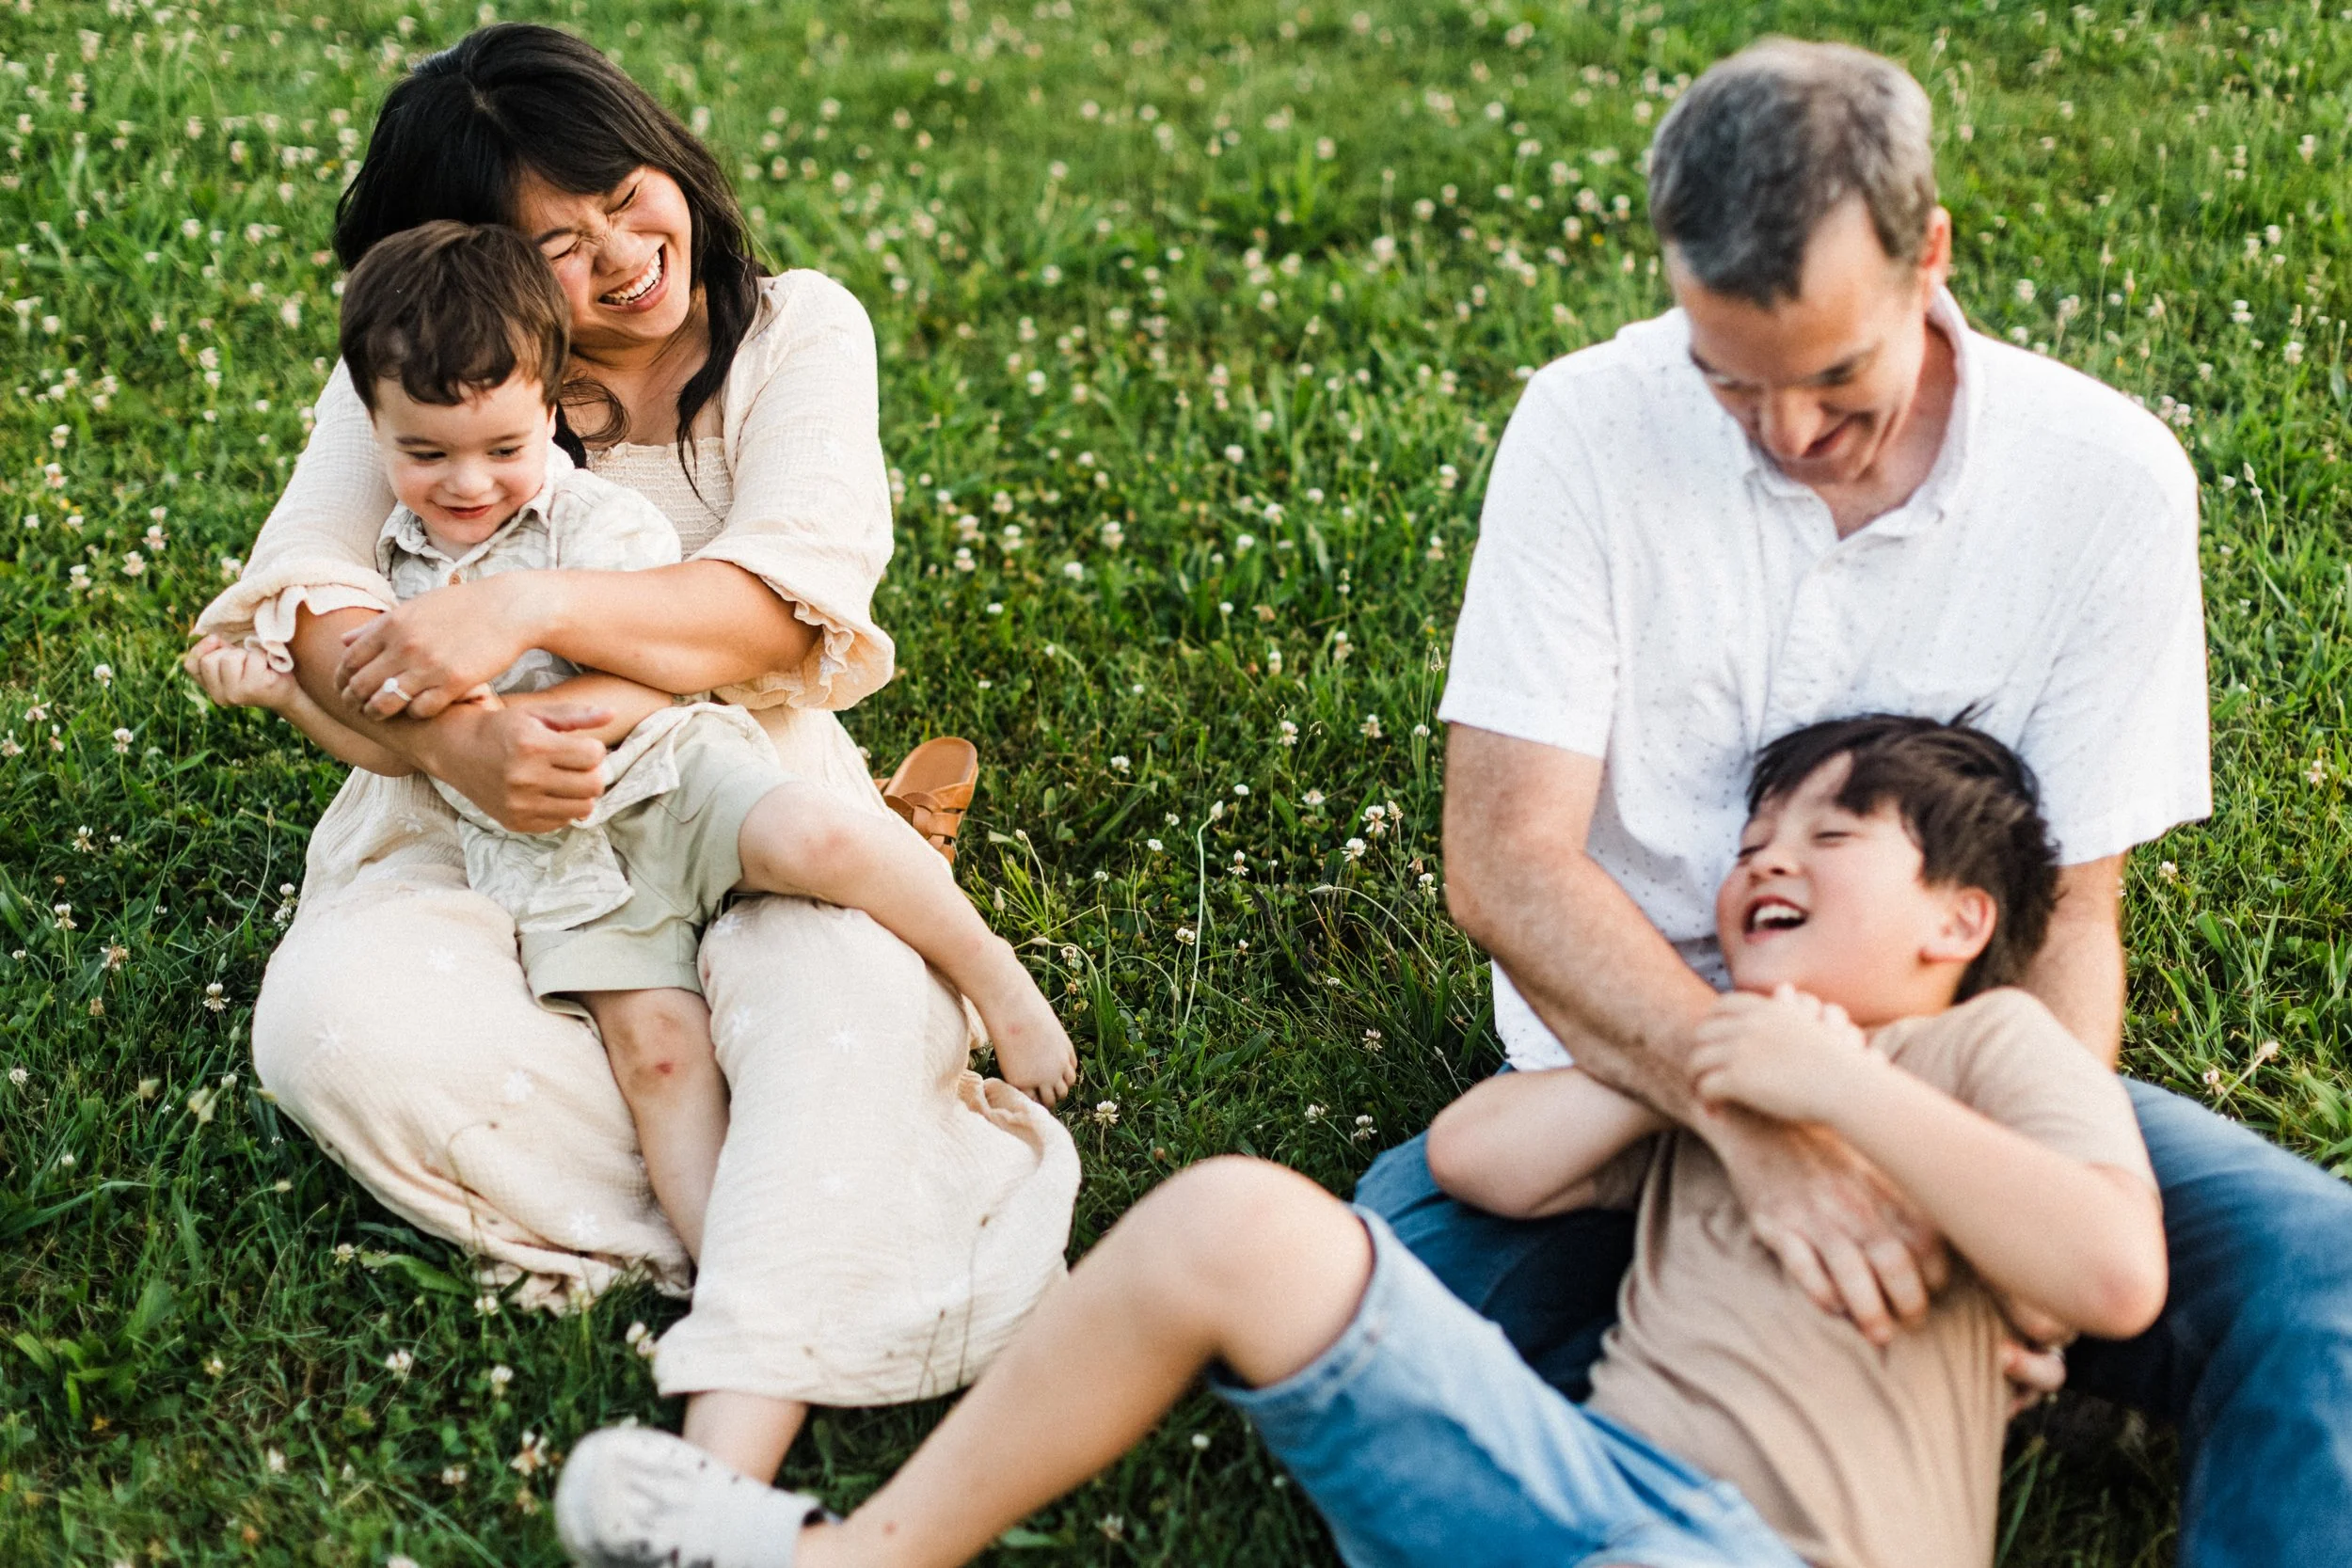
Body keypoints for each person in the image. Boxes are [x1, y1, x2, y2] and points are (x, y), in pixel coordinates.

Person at [1359, 38, 2352, 1567]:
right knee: (1387, 1295)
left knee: (2318, 1272)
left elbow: (2076, 908)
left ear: (1929, 256)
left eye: (1835, 379)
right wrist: (1748, 1114)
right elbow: (1505, 858)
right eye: (1729, 381)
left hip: (1943, 1085)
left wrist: (2009, 1205)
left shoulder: (2106, 482)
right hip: (1610, 1089)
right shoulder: (1585, 426)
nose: (1786, 433)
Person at [547, 715, 2166, 1568]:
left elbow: (2112, 1268)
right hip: (1561, 1487)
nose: (1767, 858)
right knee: (1238, 1217)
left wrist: (1851, 1093)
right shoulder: (1706, 1071)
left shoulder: (1985, 1047)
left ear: (1962, 915)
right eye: (1750, 838)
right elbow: (1482, 1164)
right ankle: (861, 1554)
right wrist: (1692, 1064)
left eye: (1830, 831)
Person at [187, 24, 1079, 1485]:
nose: (618, 249)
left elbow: (771, 600)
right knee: (336, 1031)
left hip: (736, 775)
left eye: (625, 191)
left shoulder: (799, 330)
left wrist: (522, 606)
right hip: (473, 823)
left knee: (835, 996)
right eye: (557, 239)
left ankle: (763, 1248)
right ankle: (778, 1223)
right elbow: (314, 597)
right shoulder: (422, 361)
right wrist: (463, 742)